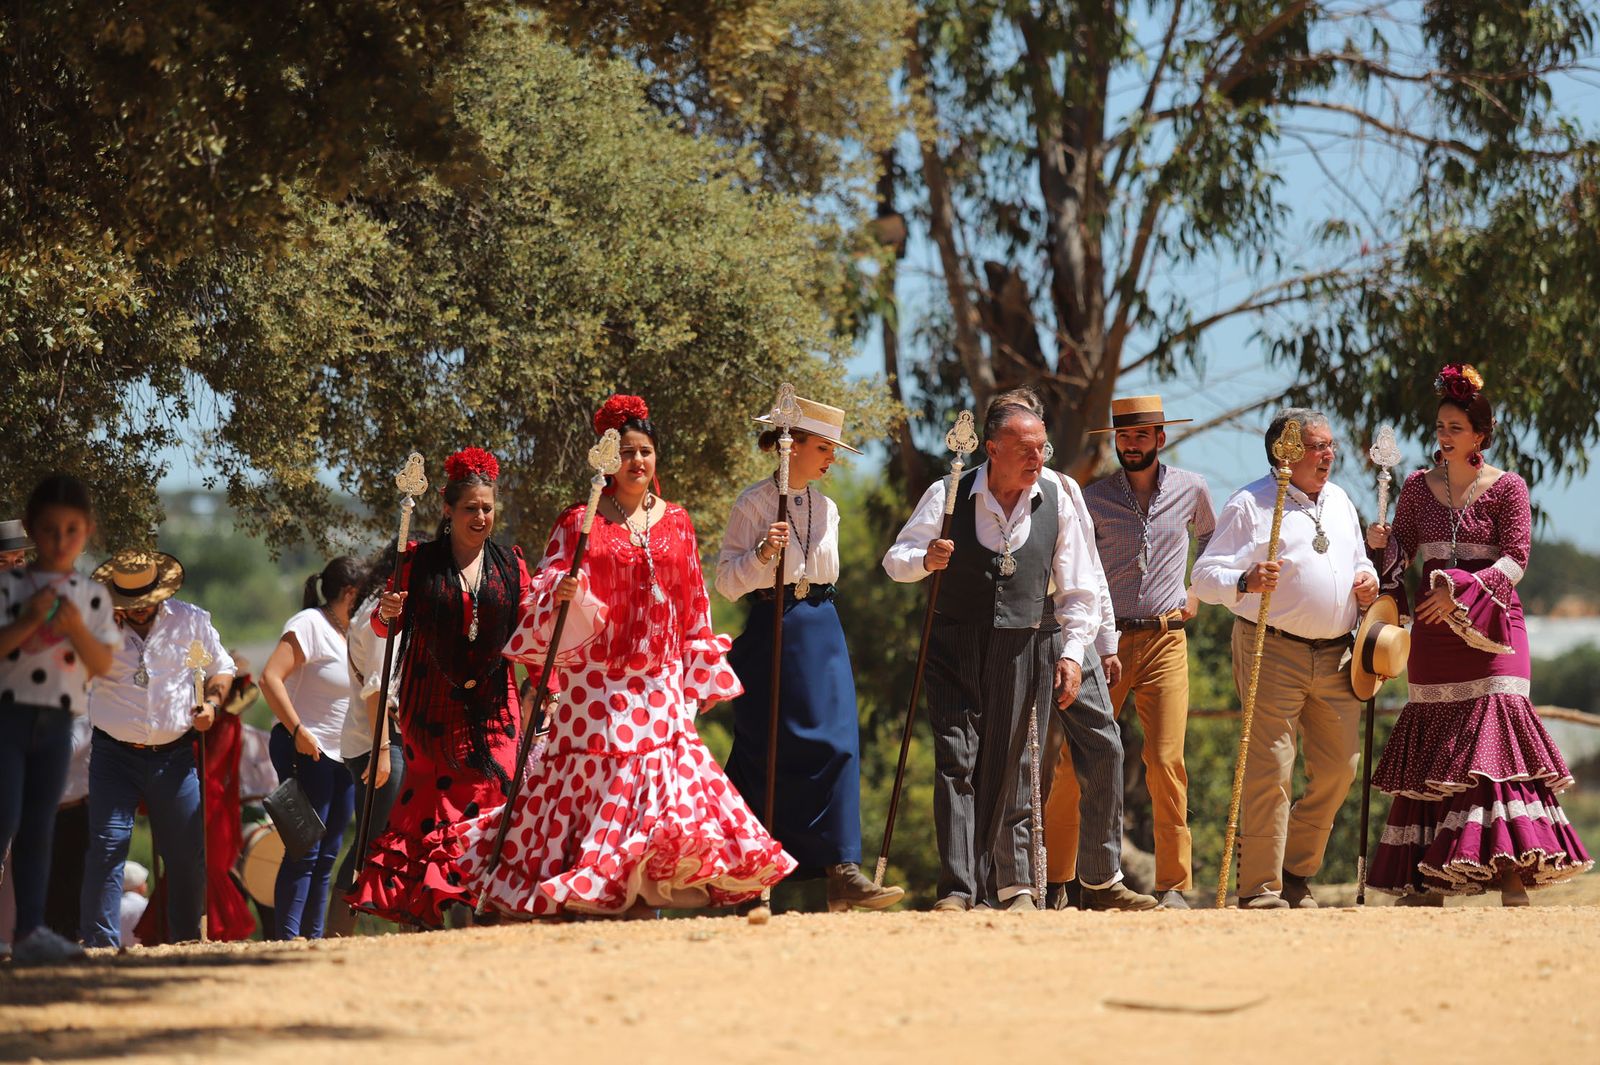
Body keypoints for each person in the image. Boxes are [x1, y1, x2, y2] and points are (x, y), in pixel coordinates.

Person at [452, 395, 794, 917]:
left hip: (658, 677)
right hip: (595, 685)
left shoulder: (677, 520)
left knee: (660, 788)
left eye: (647, 452)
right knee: (599, 784)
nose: (638, 461)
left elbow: (692, 598)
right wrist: (558, 592)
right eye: (628, 452)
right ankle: (587, 888)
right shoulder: (579, 519)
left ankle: (639, 896)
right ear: (610, 460)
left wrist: (695, 669)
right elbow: (547, 579)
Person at [883, 399, 1154, 912]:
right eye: (1025, 449)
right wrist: (925, 558)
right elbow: (895, 560)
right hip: (954, 641)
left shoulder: (1055, 494)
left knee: (1007, 764)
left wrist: (1077, 652)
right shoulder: (949, 491)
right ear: (992, 449)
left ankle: (1006, 887)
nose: (1037, 458)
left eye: (1041, 447)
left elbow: (1079, 585)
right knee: (956, 761)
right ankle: (958, 890)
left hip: (1021, 642)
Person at [1366, 364, 1591, 902]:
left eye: (1454, 428)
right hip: (1435, 637)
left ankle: (1511, 869)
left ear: (1480, 435)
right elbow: (1398, 559)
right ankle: (1429, 877)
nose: (1443, 437)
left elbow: (1517, 559)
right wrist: (1380, 545)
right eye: (1439, 427)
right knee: (1437, 746)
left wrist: (1462, 591)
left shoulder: (1509, 487)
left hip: (1496, 633)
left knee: (1497, 741)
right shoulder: (1417, 488)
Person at [716, 393, 903, 912]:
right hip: (772, 628)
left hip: (822, 630)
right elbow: (728, 583)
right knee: (766, 750)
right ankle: (750, 875)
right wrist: (761, 556)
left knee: (839, 744)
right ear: (789, 446)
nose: (831, 459)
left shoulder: (830, 508)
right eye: (823, 447)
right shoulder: (752, 504)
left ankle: (842, 868)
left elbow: (826, 574)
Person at [1192, 408, 1379, 908]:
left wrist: (1368, 580)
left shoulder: (1340, 500)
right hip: (1269, 648)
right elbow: (1203, 576)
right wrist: (1244, 581)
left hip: (1340, 655)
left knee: (1341, 767)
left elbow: (1358, 558)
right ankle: (1261, 888)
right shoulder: (1251, 504)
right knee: (1271, 769)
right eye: (1318, 446)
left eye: (1330, 445)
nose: (1329, 454)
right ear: (1286, 452)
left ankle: (1295, 869)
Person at [1045, 395, 1216, 908]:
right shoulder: (1092, 499)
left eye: (1142, 436)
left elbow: (1211, 537)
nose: (1132, 444)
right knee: (1078, 761)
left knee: (1166, 760)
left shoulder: (1193, 489)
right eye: (1124, 436)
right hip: (1107, 640)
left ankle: (1174, 885)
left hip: (1167, 638)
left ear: (1161, 439)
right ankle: (1056, 880)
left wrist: (1197, 591)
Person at [350, 449, 530, 928]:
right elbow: (387, 628)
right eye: (471, 507)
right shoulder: (418, 563)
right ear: (447, 511)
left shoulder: (511, 565)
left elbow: (531, 630)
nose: (481, 516)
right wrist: (385, 613)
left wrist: (546, 685)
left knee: (496, 788)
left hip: (495, 705)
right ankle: (434, 904)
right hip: (430, 706)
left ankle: (485, 902)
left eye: (488, 507)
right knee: (439, 801)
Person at [79, 548, 234, 947]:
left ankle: (185, 943)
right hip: (113, 757)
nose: (140, 610)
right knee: (107, 848)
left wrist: (212, 706)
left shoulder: (191, 620)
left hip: (174, 757)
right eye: (130, 604)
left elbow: (222, 668)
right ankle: (100, 946)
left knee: (185, 856)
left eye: (146, 602)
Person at [0, 474, 118, 962]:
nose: (59, 540)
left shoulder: (88, 596)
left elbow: (104, 664)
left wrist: (72, 626)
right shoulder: (10, 592)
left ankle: (28, 931)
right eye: (49, 530)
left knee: (35, 827)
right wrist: (28, 621)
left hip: (54, 721)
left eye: (72, 530)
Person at [259, 555, 366, 939]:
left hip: (344, 754)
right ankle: (287, 939)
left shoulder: (353, 631)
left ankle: (313, 938)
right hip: (307, 749)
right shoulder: (309, 625)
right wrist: (299, 730)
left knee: (329, 853)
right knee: (303, 850)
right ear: (351, 592)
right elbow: (269, 678)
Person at [327, 545, 409, 937]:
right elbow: (377, 690)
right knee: (369, 842)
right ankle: (337, 935)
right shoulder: (379, 614)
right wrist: (382, 752)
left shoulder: (385, 610)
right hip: (378, 742)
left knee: (388, 838)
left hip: (386, 741)